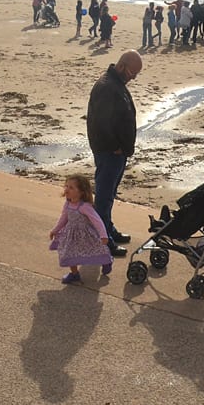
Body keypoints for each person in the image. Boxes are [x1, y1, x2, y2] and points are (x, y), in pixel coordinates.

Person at [86, 50, 143, 257]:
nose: (133, 78)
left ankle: (108, 229)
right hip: (109, 153)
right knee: (103, 197)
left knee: (109, 196)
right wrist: (115, 147)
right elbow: (99, 124)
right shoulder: (107, 87)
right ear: (122, 66)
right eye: (132, 73)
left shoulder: (115, 84)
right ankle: (104, 241)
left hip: (117, 154)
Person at [49, 175, 113, 284]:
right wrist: (55, 230)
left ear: (81, 192)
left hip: (86, 234)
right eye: (66, 186)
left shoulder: (85, 206)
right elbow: (63, 218)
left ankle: (106, 261)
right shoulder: (68, 204)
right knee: (68, 253)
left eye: (71, 188)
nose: (67, 189)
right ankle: (74, 274)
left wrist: (103, 235)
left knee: (97, 249)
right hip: (71, 235)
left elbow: (97, 221)